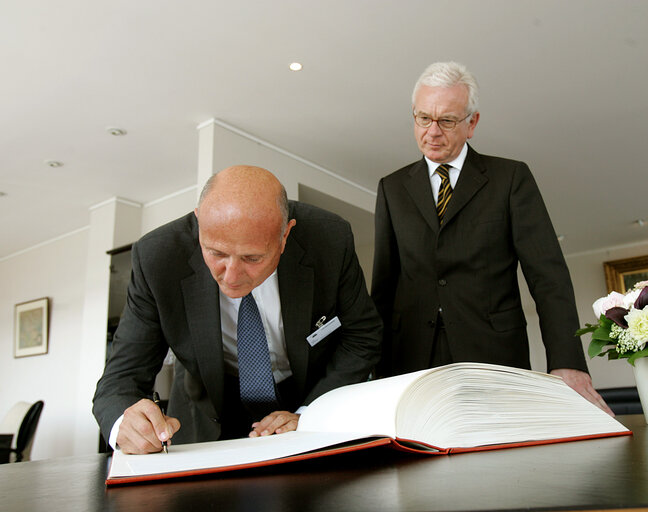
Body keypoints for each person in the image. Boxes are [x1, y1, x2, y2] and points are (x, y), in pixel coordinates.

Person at [371, 61, 610, 414]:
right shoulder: (392, 188)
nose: (432, 132)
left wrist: (567, 361)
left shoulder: (510, 178)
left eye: (447, 121)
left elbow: (548, 277)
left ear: (472, 123)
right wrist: (376, 371)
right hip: (410, 359)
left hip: (493, 353)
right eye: (423, 118)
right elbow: (384, 286)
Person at [93, 166, 382, 454]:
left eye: (252, 258)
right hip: (207, 411)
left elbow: (362, 334)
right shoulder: (157, 258)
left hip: (309, 394)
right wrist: (125, 422)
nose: (231, 278)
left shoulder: (329, 238)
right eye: (216, 253)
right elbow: (122, 376)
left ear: (285, 236)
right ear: (199, 222)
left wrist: (311, 412)